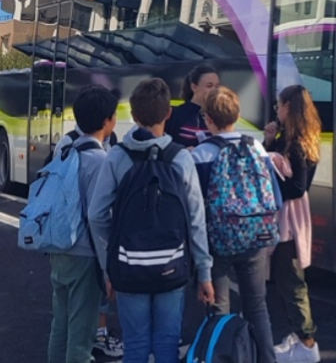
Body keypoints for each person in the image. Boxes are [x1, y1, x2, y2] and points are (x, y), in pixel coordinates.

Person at [89, 78, 215, 363]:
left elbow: (96, 215)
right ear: (169, 113)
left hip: (129, 267)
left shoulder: (117, 157)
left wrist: (110, 266)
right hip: (172, 266)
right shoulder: (181, 158)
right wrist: (205, 273)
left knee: (135, 343)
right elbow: (196, 218)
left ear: (133, 116)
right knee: (167, 342)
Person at [192, 86, 278, 363]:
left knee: (219, 309)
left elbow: (195, 205)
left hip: (217, 241)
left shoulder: (202, 153)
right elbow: (273, 196)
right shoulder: (257, 147)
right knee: (257, 306)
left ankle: (225, 357)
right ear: (237, 114)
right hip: (255, 236)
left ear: (208, 119)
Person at [47, 85, 118, 363]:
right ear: (106, 122)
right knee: (81, 335)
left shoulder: (67, 150)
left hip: (59, 247)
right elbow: (100, 217)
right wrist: (108, 267)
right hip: (85, 253)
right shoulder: (101, 161)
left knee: (60, 327)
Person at [263, 85, 321, 363]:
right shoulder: (294, 138)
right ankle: (298, 337)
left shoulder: (297, 144)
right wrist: (269, 141)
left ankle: (307, 341)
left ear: (289, 107)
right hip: (290, 216)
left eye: (279, 105)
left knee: (291, 280)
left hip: (290, 218)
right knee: (287, 278)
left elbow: (298, 187)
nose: (277, 110)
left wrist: (275, 182)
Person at [166, 64, 219, 148]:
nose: (214, 90)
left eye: (216, 86)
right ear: (194, 87)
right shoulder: (176, 114)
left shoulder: (219, 115)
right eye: (209, 86)